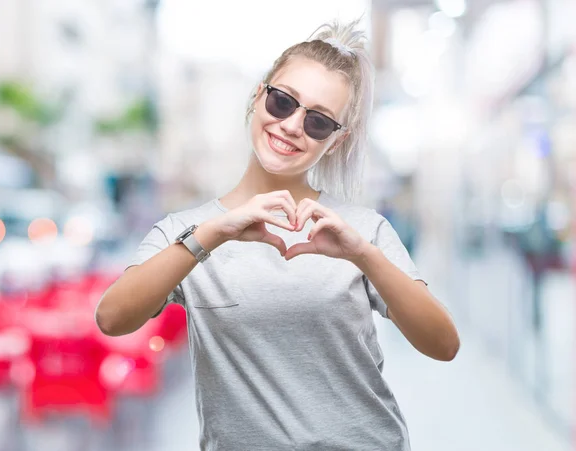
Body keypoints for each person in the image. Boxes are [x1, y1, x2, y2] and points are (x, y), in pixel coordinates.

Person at [95, 18, 460, 451]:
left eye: (319, 121)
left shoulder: (361, 230)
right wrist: (210, 236)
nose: (291, 126)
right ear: (258, 97)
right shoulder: (186, 233)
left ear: (335, 142)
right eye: (283, 102)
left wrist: (364, 256)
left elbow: (443, 344)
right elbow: (112, 318)